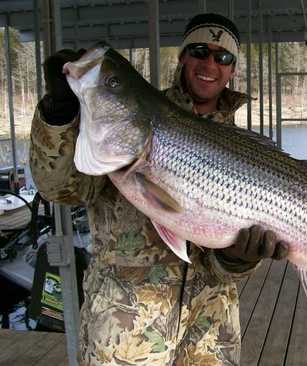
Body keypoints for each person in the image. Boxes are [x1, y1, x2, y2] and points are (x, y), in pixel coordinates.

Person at [30, 13, 288, 366]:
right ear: (182, 56)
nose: (209, 63)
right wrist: (59, 116)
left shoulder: (242, 148)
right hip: (125, 332)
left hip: (210, 337)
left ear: (232, 70)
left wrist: (239, 259)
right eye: (199, 50)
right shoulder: (129, 120)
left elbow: (223, 271)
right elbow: (59, 188)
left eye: (223, 56)